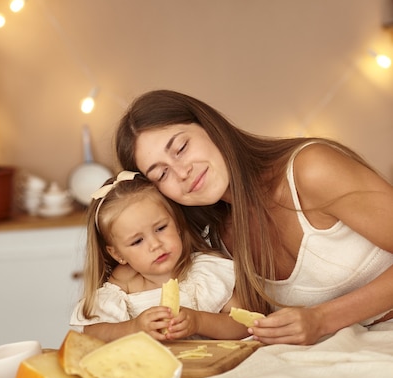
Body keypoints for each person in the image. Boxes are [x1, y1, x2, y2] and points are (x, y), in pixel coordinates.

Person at [114, 89, 393, 346]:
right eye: (161, 174)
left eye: (181, 148)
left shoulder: (310, 170)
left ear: (209, 127)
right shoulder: (215, 239)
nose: (181, 171)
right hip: (347, 354)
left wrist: (322, 319)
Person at [70, 170, 247, 342]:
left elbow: (244, 324)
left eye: (161, 228)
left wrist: (199, 322)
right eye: (137, 241)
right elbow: (89, 334)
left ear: (176, 223)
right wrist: (133, 328)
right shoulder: (121, 292)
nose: (155, 245)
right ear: (118, 254)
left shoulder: (205, 273)